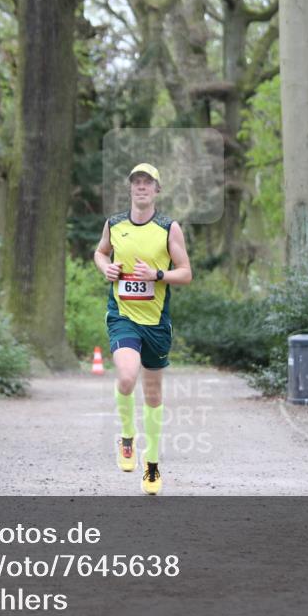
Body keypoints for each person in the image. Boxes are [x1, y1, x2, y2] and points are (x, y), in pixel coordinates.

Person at [93, 163, 193, 494]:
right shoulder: (115, 224)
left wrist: (157, 275)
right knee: (126, 376)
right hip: (123, 315)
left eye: (147, 182)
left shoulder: (168, 228)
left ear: (156, 190)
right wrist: (106, 268)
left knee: (152, 394)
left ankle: (151, 465)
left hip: (156, 322)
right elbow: (100, 252)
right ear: (130, 188)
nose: (141, 186)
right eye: (136, 181)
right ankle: (127, 437)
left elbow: (186, 273)